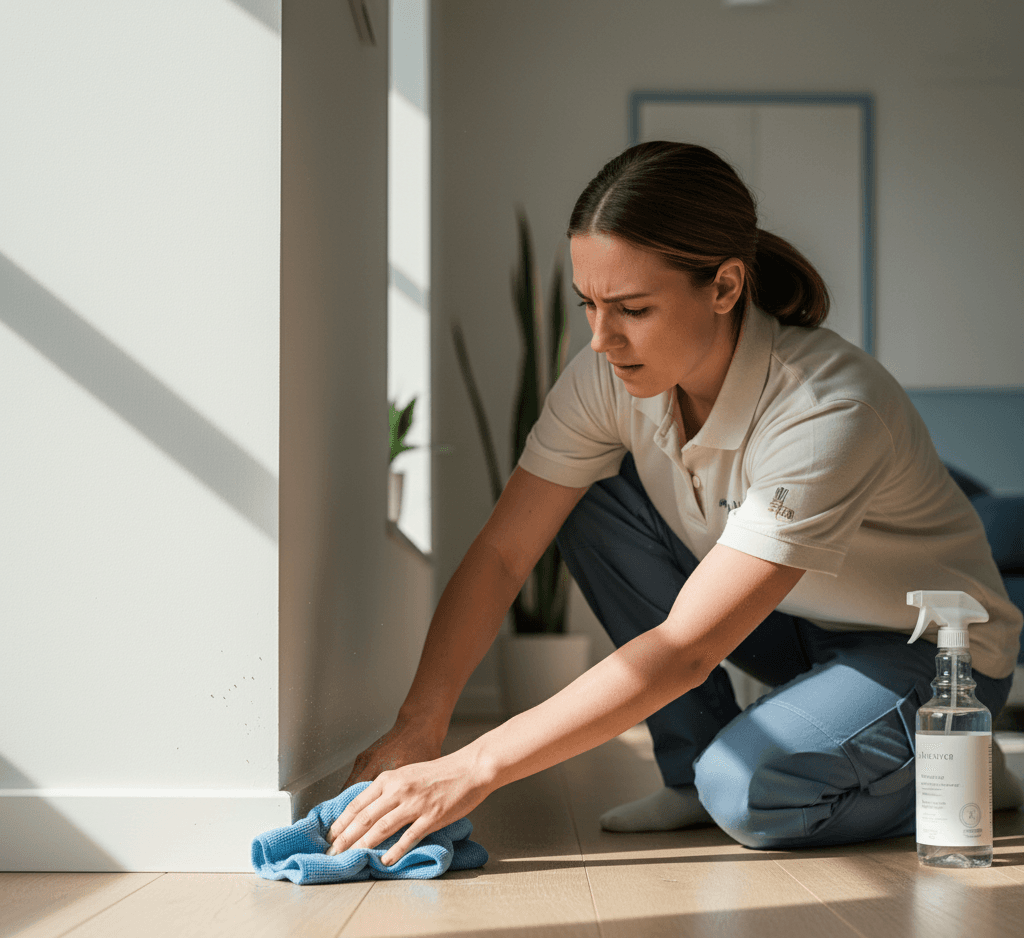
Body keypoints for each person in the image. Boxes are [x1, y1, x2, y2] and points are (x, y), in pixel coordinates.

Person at [326, 141, 1022, 864]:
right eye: (589, 305)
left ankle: (961, 770)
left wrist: (474, 767)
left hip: (925, 650)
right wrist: (420, 725)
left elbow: (687, 647)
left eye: (632, 308)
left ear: (724, 287)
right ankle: (690, 774)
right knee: (585, 497)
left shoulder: (826, 410)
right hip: (789, 621)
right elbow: (505, 553)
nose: (602, 339)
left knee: (749, 791)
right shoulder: (607, 375)